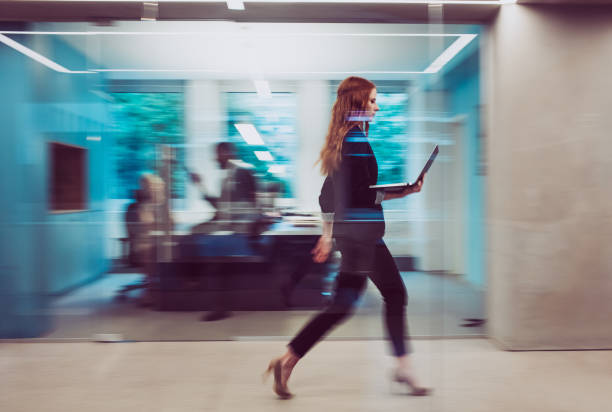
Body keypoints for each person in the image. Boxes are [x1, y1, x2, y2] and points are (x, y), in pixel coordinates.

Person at [264, 76, 430, 399]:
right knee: (394, 294)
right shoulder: (355, 143)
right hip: (363, 235)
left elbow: (330, 196)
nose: (377, 107)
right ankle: (404, 367)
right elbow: (361, 198)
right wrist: (404, 191)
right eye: (371, 101)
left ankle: (287, 360)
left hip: (351, 235)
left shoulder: (342, 142)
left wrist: (328, 237)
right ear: (356, 105)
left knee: (341, 306)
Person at [188, 141, 257, 234]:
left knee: (195, 232)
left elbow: (227, 209)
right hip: (234, 225)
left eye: (217, 154)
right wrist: (200, 185)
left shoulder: (241, 171)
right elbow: (221, 207)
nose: (215, 159)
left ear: (227, 153)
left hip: (239, 227)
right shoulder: (228, 176)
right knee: (195, 231)